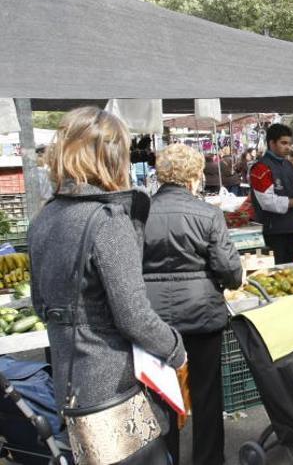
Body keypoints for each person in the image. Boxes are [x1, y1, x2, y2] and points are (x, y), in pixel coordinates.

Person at [29, 107, 186, 463]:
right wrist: (176, 349)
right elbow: (134, 316)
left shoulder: (44, 217)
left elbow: (41, 306)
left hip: (70, 383)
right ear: (115, 156)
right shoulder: (107, 220)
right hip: (114, 386)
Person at [143, 144, 243, 465]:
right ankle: (209, 459)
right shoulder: (208, 214)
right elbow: (229, 270)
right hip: (202, 316)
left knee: (161, 397)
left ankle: (166, 458)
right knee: (206, 394)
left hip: (153, 320)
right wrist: (226, 282)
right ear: (194, 175)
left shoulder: (139, 213)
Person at [249, 123, 293, 264]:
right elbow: (268, 202)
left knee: (292, 269)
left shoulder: (289, 165)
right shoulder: (260, 168)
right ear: (271, 143)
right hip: (273, 231)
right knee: (276, 269)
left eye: (289, 143)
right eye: (283, 143)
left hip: (292, 228)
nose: (288, 147)